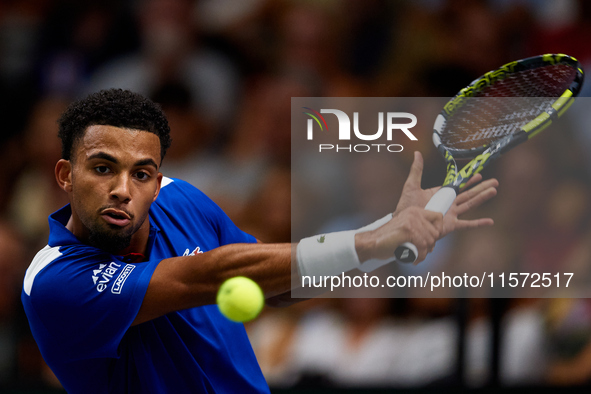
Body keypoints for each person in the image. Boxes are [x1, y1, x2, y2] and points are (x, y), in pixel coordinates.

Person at [21, 89, 498, 393]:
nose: (124, 189)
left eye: (142, 173)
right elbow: (207, 275)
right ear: (66, 174)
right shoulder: (53, 279)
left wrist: (390, 243)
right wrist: (371, 238)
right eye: (103, 168)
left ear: (157, 177)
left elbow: (280, 284)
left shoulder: (180, 198)